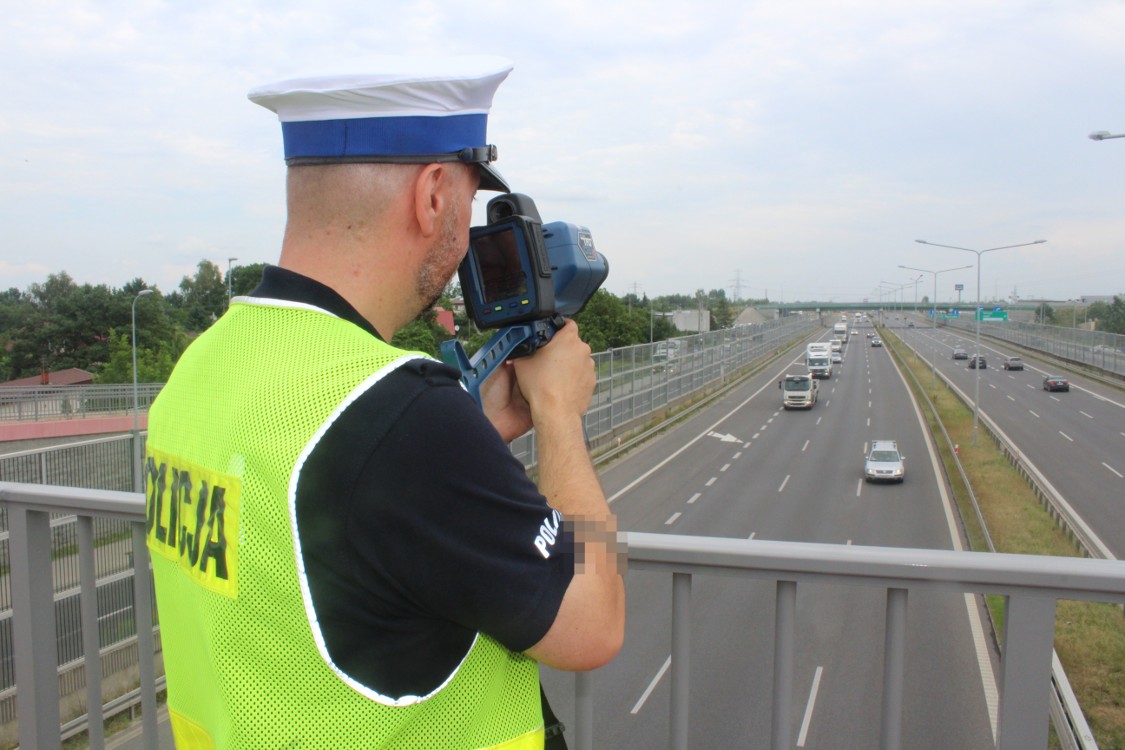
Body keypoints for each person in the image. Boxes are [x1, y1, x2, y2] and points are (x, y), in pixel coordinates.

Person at [144, 55, 624, 750]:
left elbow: (324, 534)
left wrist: (473, 435)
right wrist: (559, 416)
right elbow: (593, 625)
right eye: (469, 198)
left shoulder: (202, 366)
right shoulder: (403, 415)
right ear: (432, 195)